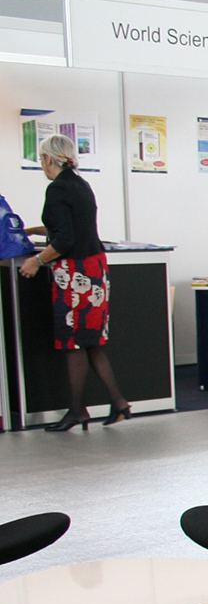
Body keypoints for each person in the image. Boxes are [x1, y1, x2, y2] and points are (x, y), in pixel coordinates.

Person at [18, 133, 129, 432]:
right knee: (90, 341)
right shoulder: (80, 185)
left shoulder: (56, 189)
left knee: (73, 343)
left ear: (47, 159)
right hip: (95, 270)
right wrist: (30, 230)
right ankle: (118, 402)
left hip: (75, 274)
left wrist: (36, 261)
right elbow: (69, 226)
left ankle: (78, 411)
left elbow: (64, 240)